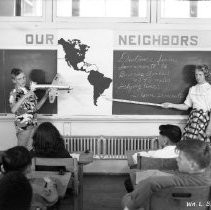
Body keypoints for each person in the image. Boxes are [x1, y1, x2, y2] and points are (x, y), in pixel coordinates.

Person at [122, 139, 211, 210]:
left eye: (180, 158)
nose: (177, 160)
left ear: (192, 165)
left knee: (126, 197)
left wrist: (129, 205)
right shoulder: (206, 175)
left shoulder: (176, 180)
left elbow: (151, 182)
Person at [162, 65, 211, 142]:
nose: (197, 77)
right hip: (193, 118)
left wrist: (209, 128)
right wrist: (171, 105)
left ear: (206, 75)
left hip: (203, 119)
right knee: (188, 143)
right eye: (196, 74)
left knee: (199, 144)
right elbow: (186, 106)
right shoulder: (193, 89)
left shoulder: (209, 89)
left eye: (200, 75)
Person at [9, 68, 50, 150]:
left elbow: (36, 107)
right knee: (21, 151)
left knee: (31, 151)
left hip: (33, 125)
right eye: (19, 79)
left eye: (24, 77)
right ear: (14, 81)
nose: (23, 80)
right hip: (23, 127)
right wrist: (25, 96)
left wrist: (46, 95)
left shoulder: (28, 91)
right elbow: (13, 110)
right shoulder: (13, 93)